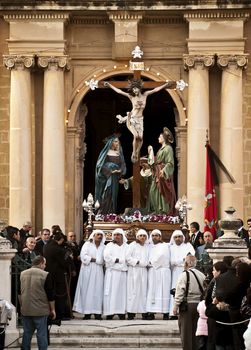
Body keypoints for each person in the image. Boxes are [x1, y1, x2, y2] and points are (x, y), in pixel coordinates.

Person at [104, 79, 176, 163]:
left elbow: (155, 90)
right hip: (132, 119)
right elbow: (119, 92)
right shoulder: (131, 97)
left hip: (140, 120)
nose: (134, 91)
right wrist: (109, 85)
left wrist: (165, 85)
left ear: (139, 88)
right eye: (133, 89)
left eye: (136, 89)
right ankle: (134, 152)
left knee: (141, 138)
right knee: (136, 136)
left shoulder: (145, 95)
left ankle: (137, 151)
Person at [19, 255, 56, 350]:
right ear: (40, 264)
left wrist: (22, 305)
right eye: (44, 264)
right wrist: (52, 309)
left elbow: (19, 293)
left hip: (26, 309)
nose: (45, 266)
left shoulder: (23, 273)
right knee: (41, 334)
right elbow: (50, 294)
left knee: (27, 333)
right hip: (40, 310)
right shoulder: (45, 274)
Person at [173, 255, 206, 350]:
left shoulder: (184, 275)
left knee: (186, 332)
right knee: (197, 330)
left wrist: (176, 306)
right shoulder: (202, 275)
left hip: (187, 306)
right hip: (199, 305)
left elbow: (179, 292)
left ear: (186, 263)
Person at [73, 229, 105, 320]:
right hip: (87, 270)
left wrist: (98, 261)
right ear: (93, 235)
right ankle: (87, 313)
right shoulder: (87, 245)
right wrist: (94, 260)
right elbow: (83, 256)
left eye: (101, 235)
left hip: (98, 271)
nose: (99, 236)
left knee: (98, 290)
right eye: (98, 234)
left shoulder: (103, 246)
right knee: (87, 290)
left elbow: (105, 258)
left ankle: (97, 313)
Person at [43, 231, 73, 320]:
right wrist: (69, 256)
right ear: (60, 240)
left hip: (48, 274)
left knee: (51, 294)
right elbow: (64, 262)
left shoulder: (46, 246)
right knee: (60, 295)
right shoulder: (57, 249)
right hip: (58, 276)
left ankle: (52, 313)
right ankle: (60, 315)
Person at [95, 135, 126, 215]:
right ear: (111, 143)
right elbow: (100, 166)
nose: (117, 143)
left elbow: (122, 165)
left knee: (114, 197)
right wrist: (110, 169)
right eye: (115, 141)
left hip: (115, 179)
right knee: (107, 195)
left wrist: (120, 170)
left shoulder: (119, 153)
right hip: (107, 178)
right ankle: (103, 213)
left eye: (118, 141)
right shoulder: (106, 153)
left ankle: (111, 213)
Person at [148, 127, 176, 215]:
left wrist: (164, 171)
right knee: (153, 191)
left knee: (161, 192)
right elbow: (157, 161)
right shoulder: (161, 149)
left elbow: (170, 163)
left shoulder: (168, 148)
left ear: (164, 138)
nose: (158, 138)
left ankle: (163, 211)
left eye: (160, 137)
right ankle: (157, 211)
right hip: (157, 173)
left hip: (163, 174)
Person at [169, 229, 195, 319]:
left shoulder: (188, 246)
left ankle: (183, 310)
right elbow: (170, 261)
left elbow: (190, 257)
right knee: (175, 290)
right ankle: (173, 312)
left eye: (179, 237)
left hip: (186, 271)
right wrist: (181, 260)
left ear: (182, 237)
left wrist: (180, 261)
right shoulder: (171, 248)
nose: (177, 239)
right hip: (175, 271)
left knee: (185, 289)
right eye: (175, 237)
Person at [146, 229, 171, 320]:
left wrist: (150, 263)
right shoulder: (149, 247)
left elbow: (162, 256)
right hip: (153, 272)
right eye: (153, 235)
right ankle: (151, 312)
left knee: (163, 291)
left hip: (162, 272)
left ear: (160, 237)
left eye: (156, 235)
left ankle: (165, 312)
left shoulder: (164, 246)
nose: (154, 237)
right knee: (152, 291)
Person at [103, 228, 128, 319]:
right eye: (115, 234)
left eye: (118, 234)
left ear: (122, 236)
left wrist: (118, 262)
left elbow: (127, 259)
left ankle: (121, 312)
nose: (116, 236)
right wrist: (118, 260)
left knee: (122, 293)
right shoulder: (109, 245)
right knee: (111, 293)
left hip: (122, 274)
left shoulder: (127, 246)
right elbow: (107, 257)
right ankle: (110, 312)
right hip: (112, 273)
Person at [126, 229, 149, 320]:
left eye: (144, 236)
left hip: (143, 271)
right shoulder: (132, 245)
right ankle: (131, 312)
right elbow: (127, 257)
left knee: (143, 291)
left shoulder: (148, 246)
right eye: (140, 236)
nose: (142, 237)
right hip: (134, 270)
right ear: (137, 237)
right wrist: (138, 262)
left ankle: (144, 312)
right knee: (133, 291)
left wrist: (146, 263)